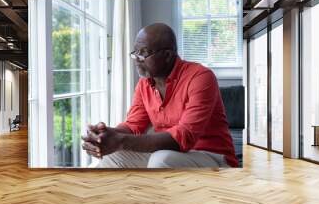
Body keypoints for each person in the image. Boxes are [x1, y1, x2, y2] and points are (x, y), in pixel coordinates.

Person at [81, 23, 238, 168]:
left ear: (168, 55)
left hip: (213, 157)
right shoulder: (144, 84)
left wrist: (120, 141)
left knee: (161, 159)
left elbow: (184, 137)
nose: (136, 59)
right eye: (135, 52)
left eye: (144, 53)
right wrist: (105, 135)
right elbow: (133, 126)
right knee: (112, 157)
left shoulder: (200, 77)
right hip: (172, 154)